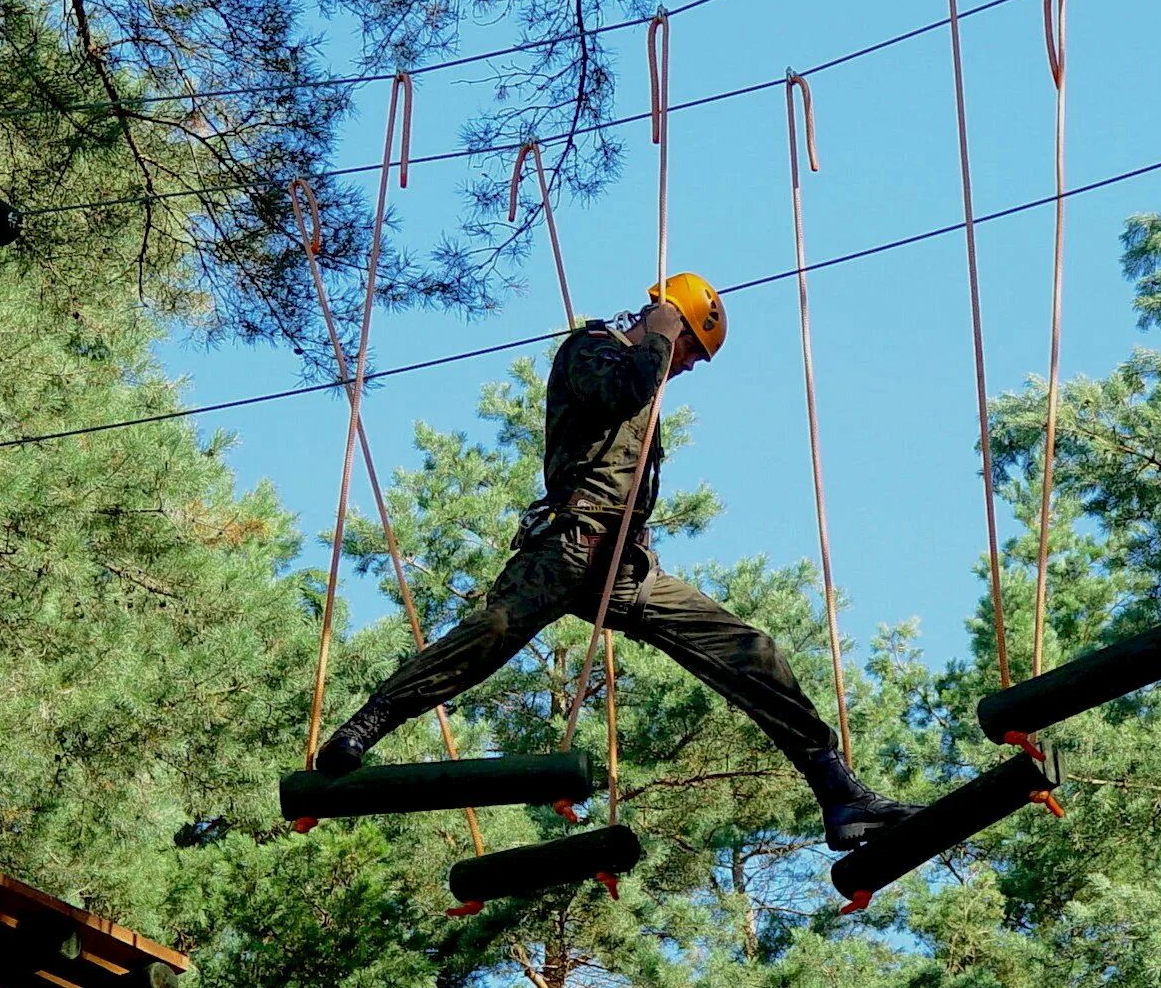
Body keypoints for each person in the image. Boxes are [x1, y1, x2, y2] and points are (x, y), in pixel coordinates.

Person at [316, 272, 924, 850]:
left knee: (752, 651)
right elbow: (619, 392)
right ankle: (362, 729)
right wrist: (659, 333)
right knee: (494, 630)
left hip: (624, 564)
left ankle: (841, 795)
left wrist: (660, 342)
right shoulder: (591, 350)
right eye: (690, 349)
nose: (686, 366)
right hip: (569, 543)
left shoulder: (644, 369)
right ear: (672, 324)